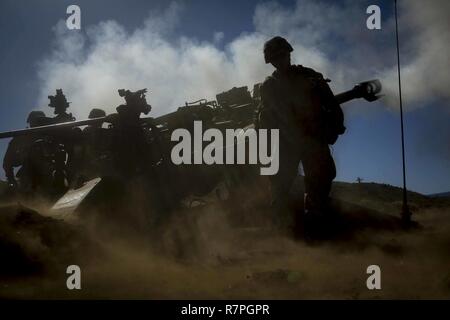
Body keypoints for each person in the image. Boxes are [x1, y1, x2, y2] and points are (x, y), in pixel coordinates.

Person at [258, 36, 345, 225]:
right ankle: (282, 230)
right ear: (270, 61)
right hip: (286, 143)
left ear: (288, 53)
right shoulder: (269, 86)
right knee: (280, 186)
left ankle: (315, 222)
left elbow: (330, 104)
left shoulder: (310, 76)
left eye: (282, 55)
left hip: (313, 138)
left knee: (321, 179)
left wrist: (335, 127)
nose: (279, 61)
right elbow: (264, 119)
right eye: (275, 58)